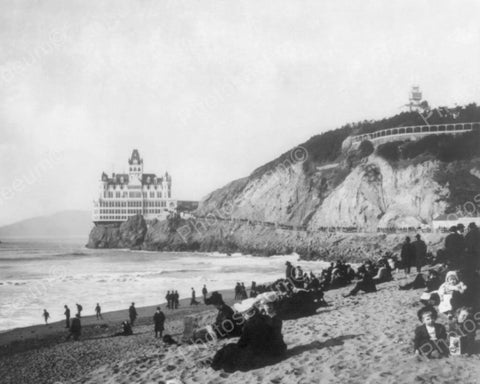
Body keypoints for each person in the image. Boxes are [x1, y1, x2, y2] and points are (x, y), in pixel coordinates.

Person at [211, 298, 286, 372]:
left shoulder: (249, 324)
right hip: (277, 351)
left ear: (248, 313)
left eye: (243, 313)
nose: (243, 316)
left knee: (229, 349)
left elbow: (242, 343)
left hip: (261, 356)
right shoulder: (267, 318)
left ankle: (215, 365)